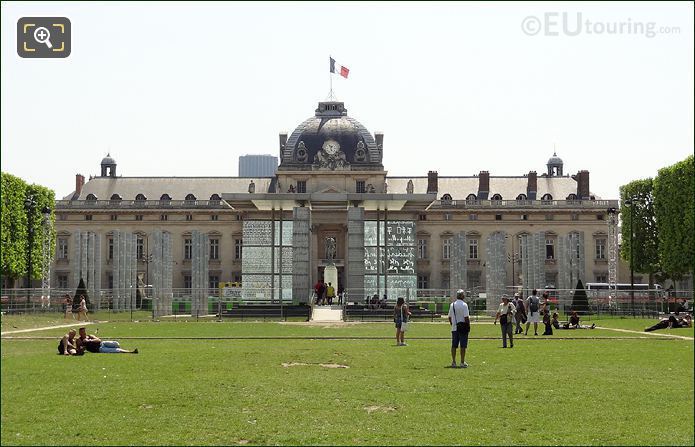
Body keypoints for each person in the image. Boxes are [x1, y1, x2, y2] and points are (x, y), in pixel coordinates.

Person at [448, 290, 470, 368]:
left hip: (454, 328)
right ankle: (462, 362)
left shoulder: (452, 305)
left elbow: (449, 317)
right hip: (463, 328)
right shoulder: (464, 305)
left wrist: (453, 324)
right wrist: (468, 326)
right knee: (463, 346)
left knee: (454, 345)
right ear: (462, 296)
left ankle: (453, 361)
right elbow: (466, 317)